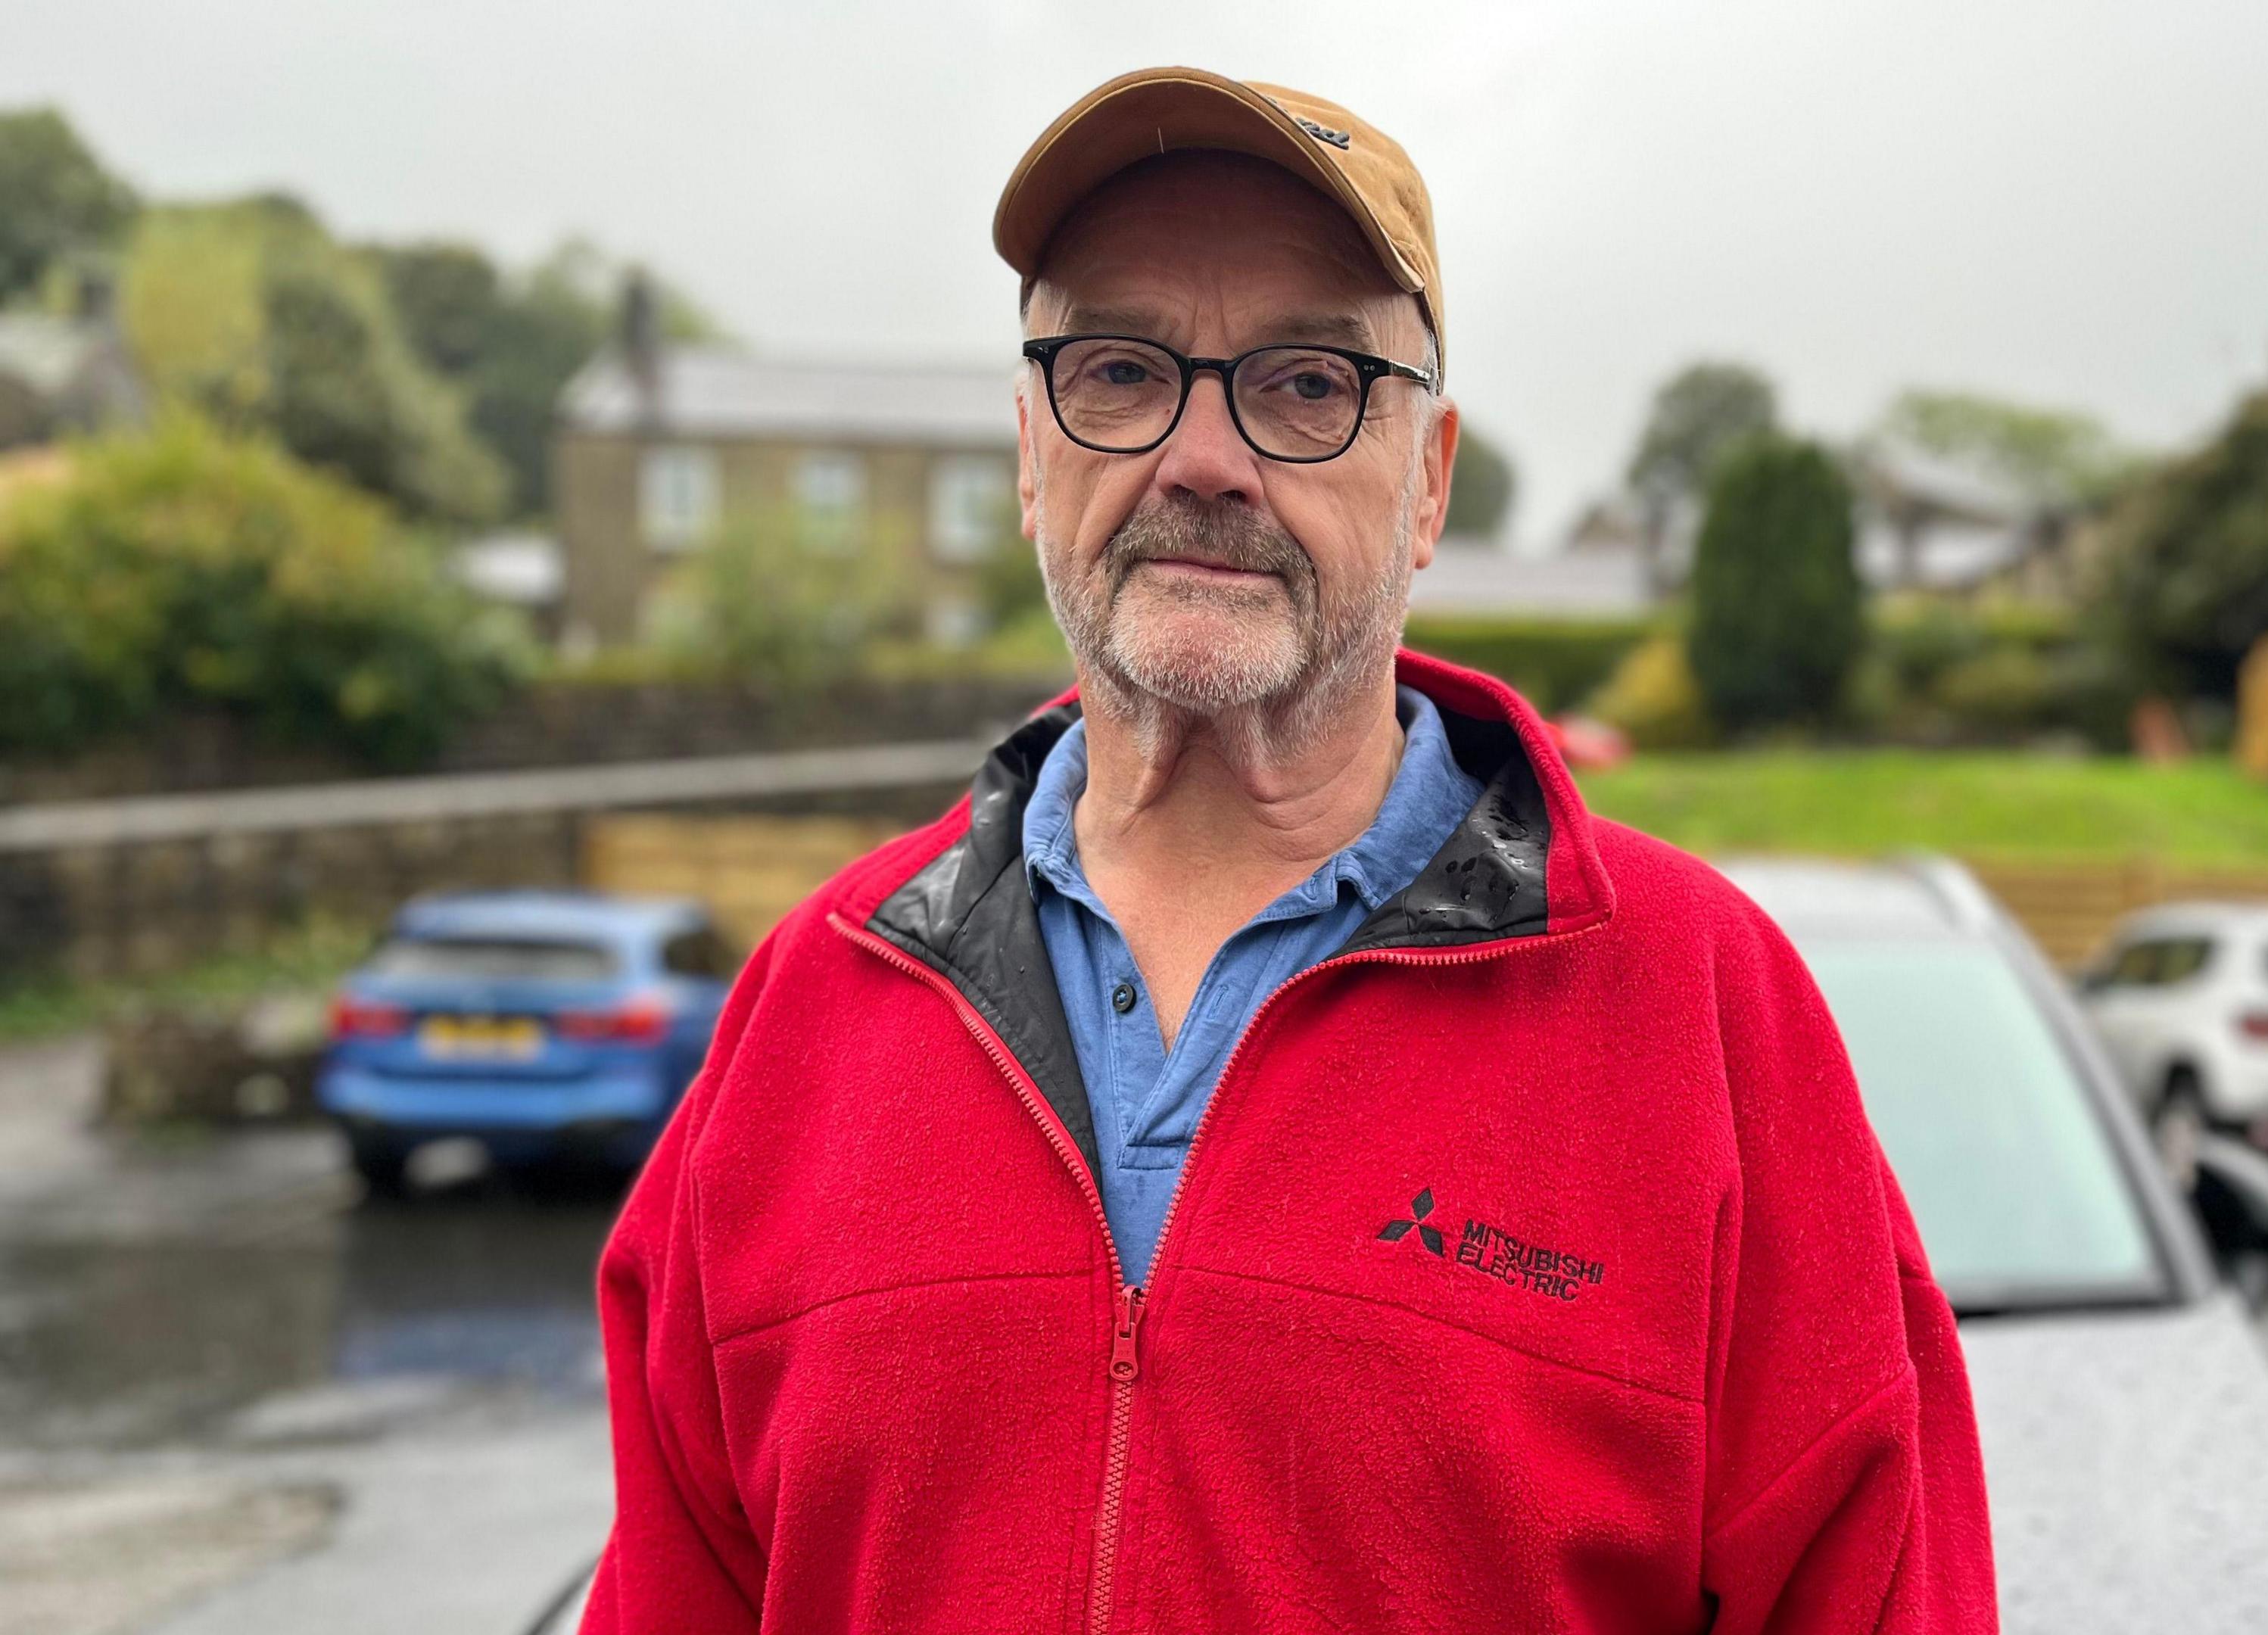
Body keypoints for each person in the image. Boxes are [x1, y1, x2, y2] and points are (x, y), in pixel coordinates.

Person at [581, 66, 1995, 1634]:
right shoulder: (808, 1014)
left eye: (1309, 384)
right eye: (1118, 369)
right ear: (1032, 455)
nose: (1202, 458)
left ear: (1433, 483)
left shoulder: (1707, 1017)